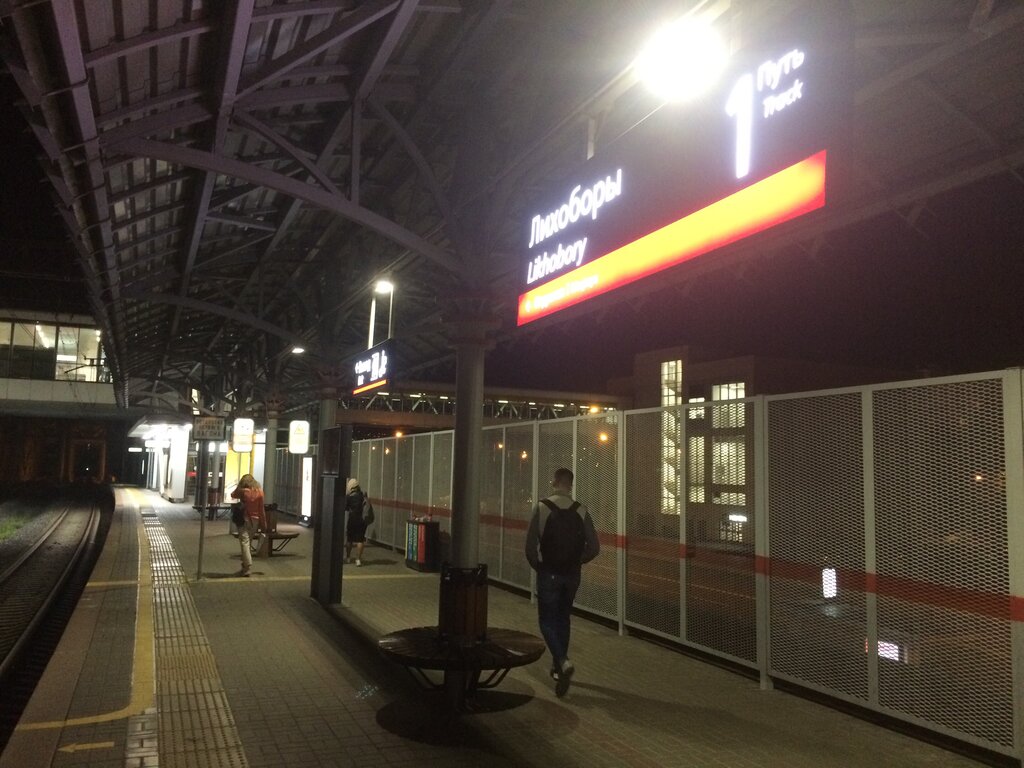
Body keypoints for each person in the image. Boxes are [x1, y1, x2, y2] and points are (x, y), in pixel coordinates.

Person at [524, 467, 600, 697]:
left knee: (547, 620)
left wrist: (539, 566)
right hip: (572, 575)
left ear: (554, 482)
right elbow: (594, 548)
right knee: (563, 618)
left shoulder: (542, 507)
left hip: (549, 572)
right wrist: (579, 561)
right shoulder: (581, 510)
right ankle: (559, 669)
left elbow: (529, 547)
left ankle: (563, 660)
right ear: (571, 484)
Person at [230, 474, 266, 577]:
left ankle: (248, 566)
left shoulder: (243, 492)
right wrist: (264, 524)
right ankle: (245, 568)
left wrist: (239, 486)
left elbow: (233, 495)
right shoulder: (260, 492)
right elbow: (261, 510)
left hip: (244, 519)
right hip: (255, 521)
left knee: (244, 542)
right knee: (248, 542)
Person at [344, 478, 374, 566]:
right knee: (360, 540)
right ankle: (358, 559)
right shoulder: (363, 495)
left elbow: (345, 508)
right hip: (362, 521)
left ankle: (348, 557)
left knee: (349, 539)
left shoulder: (349, 497)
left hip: (352, 520)